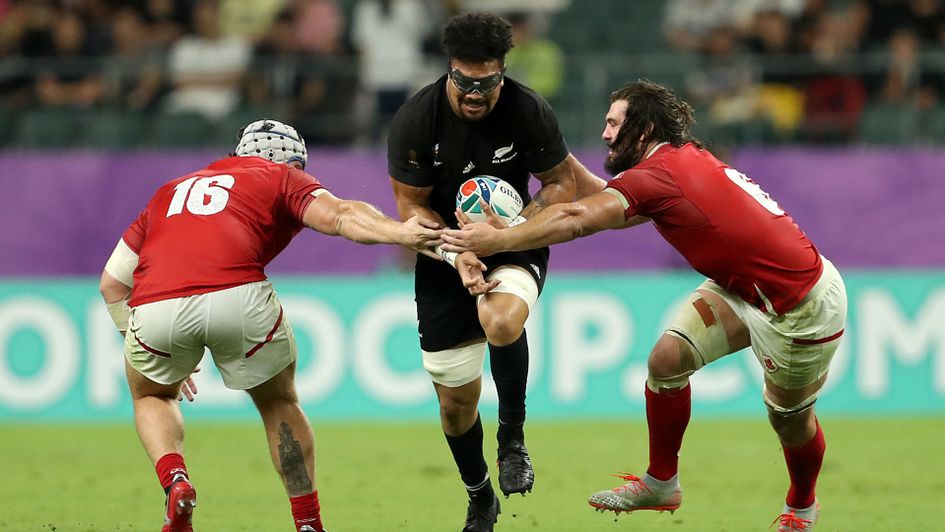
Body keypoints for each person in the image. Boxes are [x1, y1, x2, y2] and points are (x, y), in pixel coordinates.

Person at [441, 80, 848, 532]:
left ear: (645, 127)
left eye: (614, 123)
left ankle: (801, 508)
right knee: (666, 362)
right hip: (741, 287)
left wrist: (500, 238)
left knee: (790, 421)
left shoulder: (661, 174)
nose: (605, 133)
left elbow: (578, 217)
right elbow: (603, 200)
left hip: (798, 304)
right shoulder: (673, 164)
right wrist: (549, 147)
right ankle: (661, 483)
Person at [99, 119, 443, 532]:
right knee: (278, 404)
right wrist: (400, 232)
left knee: (151, 395)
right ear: (290, 161)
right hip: (237, 295)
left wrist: (142, 345)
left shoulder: (168, 192)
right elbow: (340, 215)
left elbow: (112, 284)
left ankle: (175, 480)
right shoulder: (280, 176)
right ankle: (309, 523)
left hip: (155, 303)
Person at [385, 11, 586, 532]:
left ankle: (512, 439)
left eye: (487, 83)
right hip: (443, 251)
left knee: (501, 322)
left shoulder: (527, 110)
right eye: (464, 82)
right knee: (455, 406)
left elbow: (561, 185)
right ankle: (480, 497)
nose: (475, 93)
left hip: (514, 238)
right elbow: (411, 209)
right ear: (449, 70)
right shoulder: (416, 119)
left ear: (502, 72)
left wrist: (513, 229)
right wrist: (457, 254)